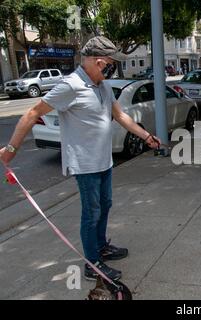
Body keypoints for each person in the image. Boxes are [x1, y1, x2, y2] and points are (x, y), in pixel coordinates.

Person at [0, 36, 161, 281]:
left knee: (104, 205)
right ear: (98, 62)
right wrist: (12, 148)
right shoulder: (70, 86)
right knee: (92, 212)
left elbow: (120, 116)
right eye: (111, 62)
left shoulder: (103, 86)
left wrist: (146, 136)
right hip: (84, 164)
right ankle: (92, 263)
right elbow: (33, 112)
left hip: (103, 160)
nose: (112, 66)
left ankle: (101, 247)